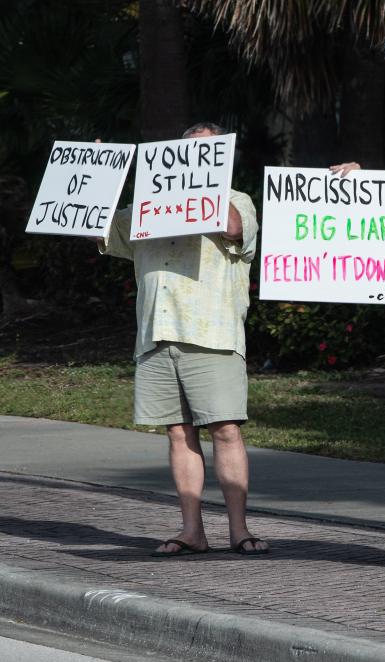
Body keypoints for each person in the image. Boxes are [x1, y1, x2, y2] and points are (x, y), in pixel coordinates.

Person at [100, 122, 268, 556]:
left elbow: (234, 231)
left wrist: (201, 191)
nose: (198, 158)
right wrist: (100, 173)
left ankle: (239, 529)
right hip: (157, 333)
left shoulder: (236, 201)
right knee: (178, 433)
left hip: (211, 332)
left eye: (208, 153)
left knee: (225, 430)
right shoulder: (146, 206)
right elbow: (97, 228)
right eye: (190, 151)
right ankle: (191, 530)